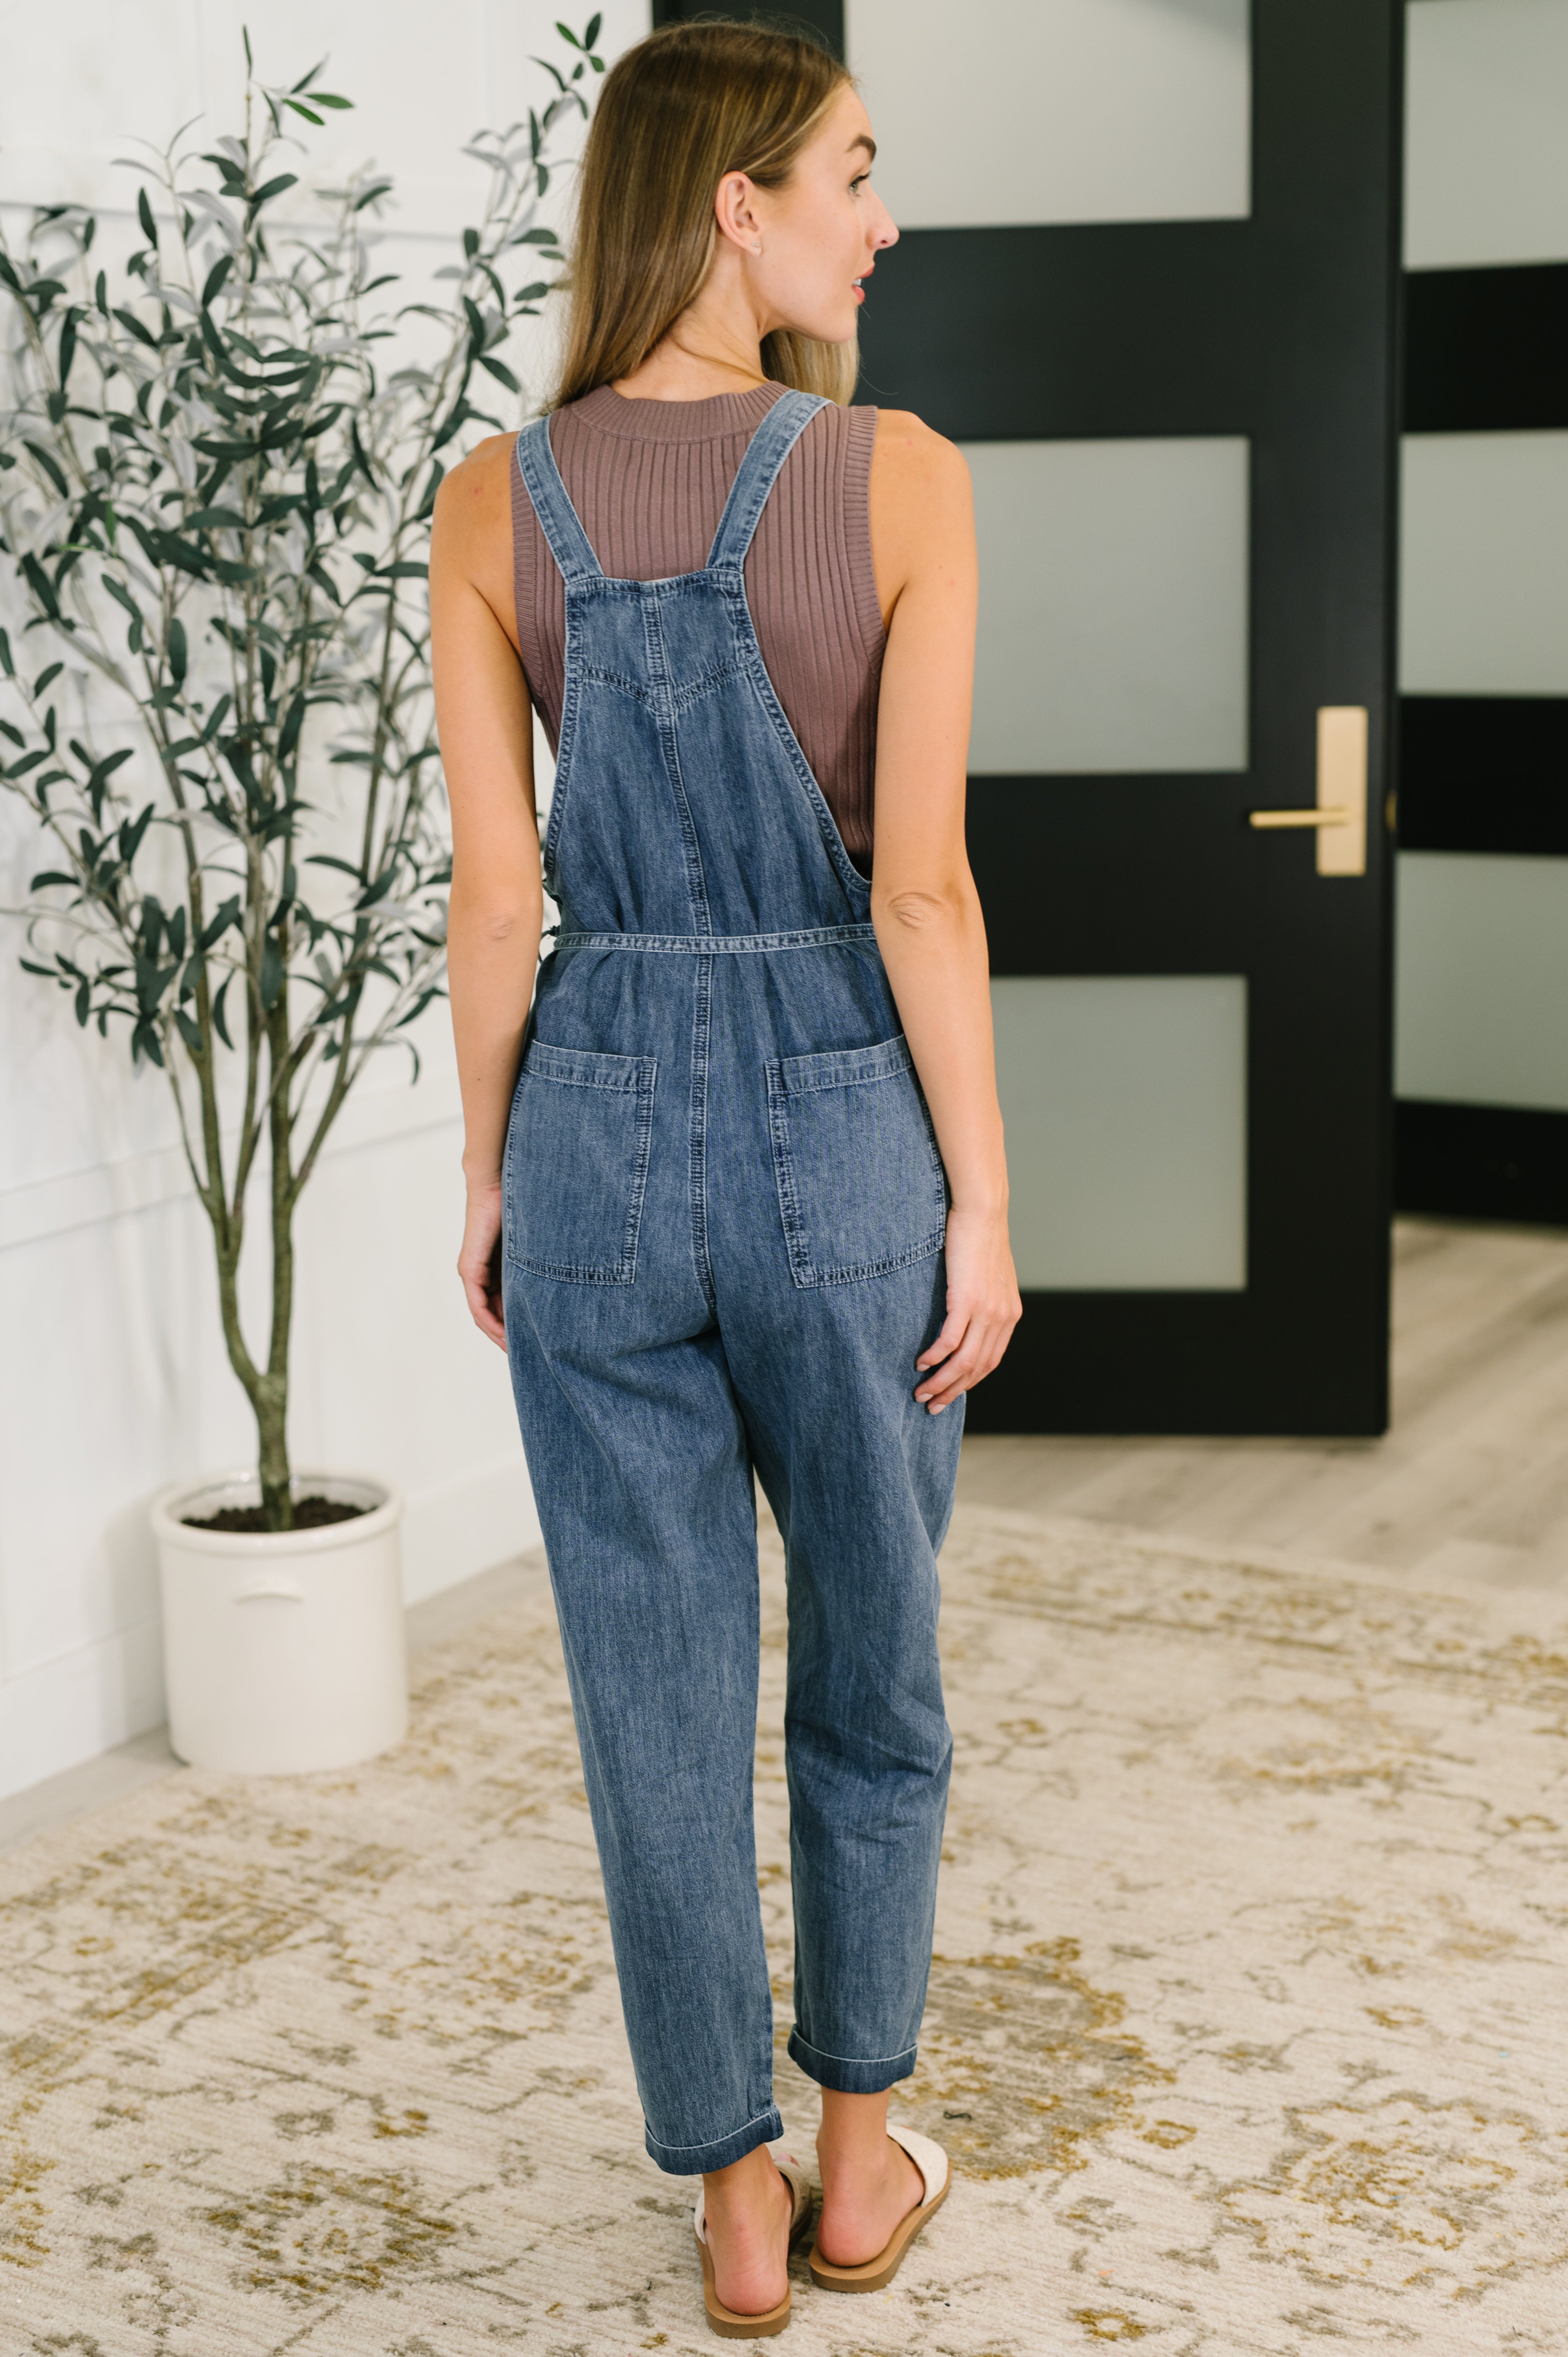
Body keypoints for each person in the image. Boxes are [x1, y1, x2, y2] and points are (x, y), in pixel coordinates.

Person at [430, 18, 1020, 2336]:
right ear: (731, 206)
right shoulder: (898, 475)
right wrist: (982, 1201)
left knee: (649, 1692)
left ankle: (733, 2204)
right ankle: (860, 2168)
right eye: (852, 174)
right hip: (838, 1118)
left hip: (587, 1115)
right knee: (872, 1655)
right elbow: (922, 891)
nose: (885, 220)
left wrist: (491, 1172)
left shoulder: (494, 502)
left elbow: (500, 898)